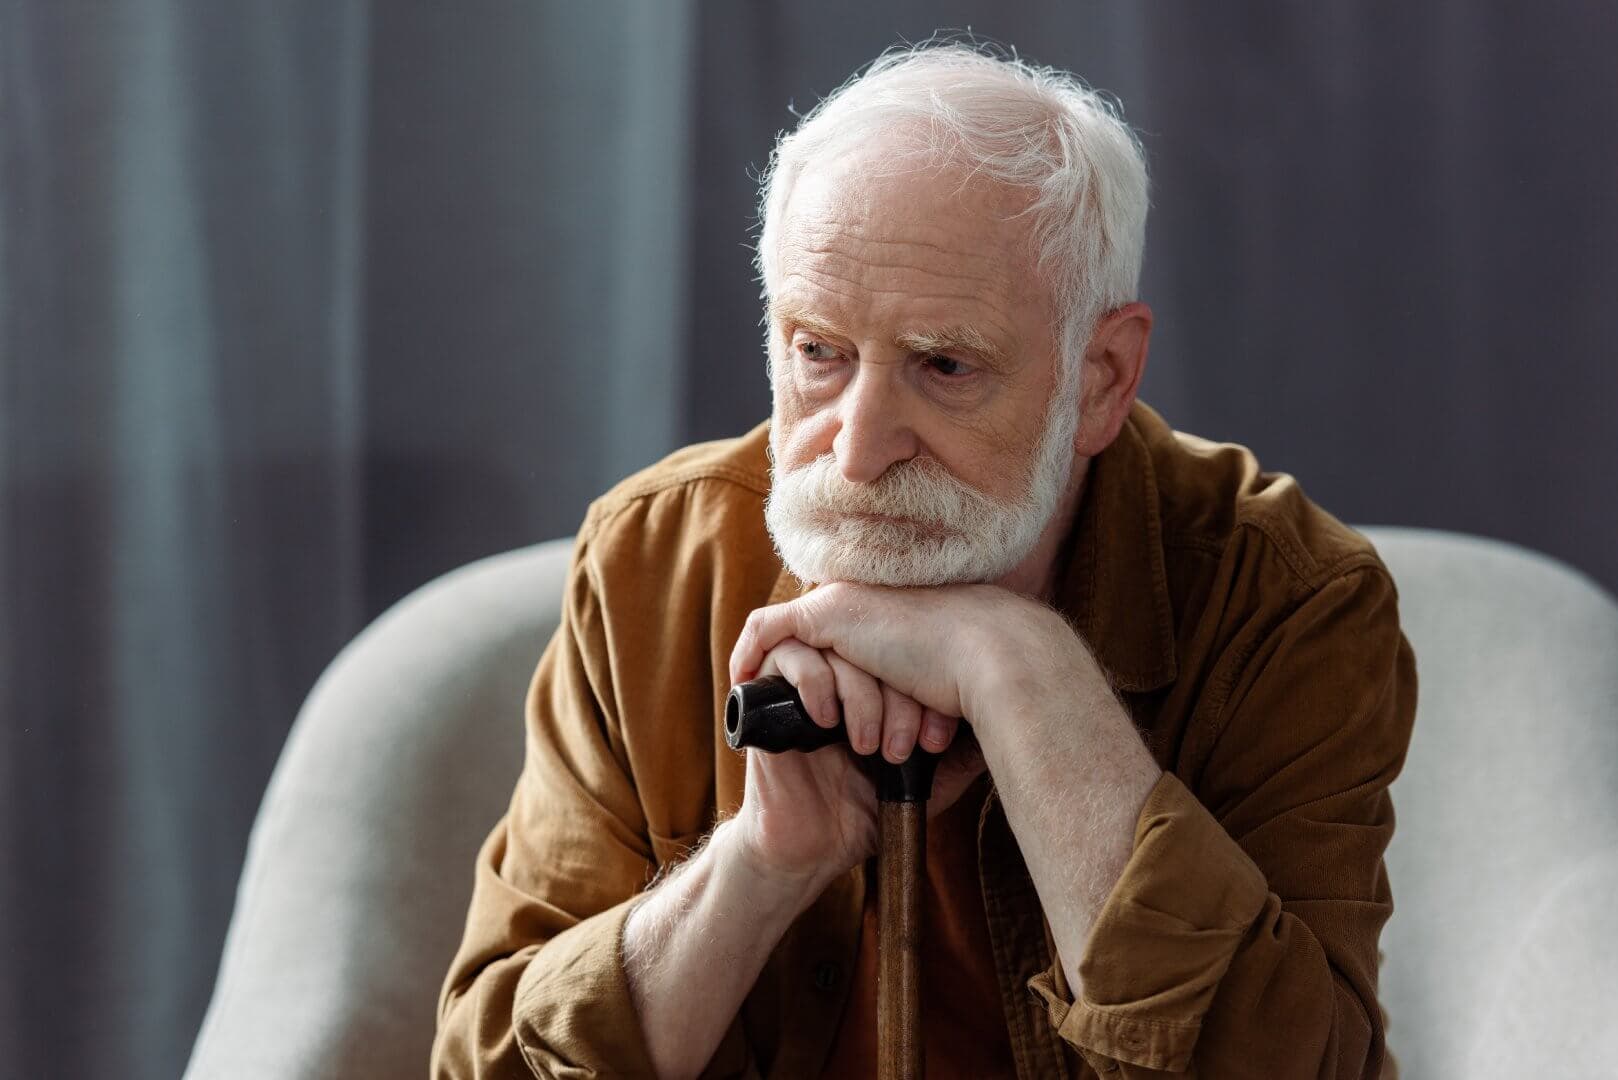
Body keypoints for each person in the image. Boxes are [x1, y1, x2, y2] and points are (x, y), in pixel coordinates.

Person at [432, 41, 1415, 1080]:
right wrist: (759, 866)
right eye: (818, 353)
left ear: (1101, 377)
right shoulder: (652, 561)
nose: (856, 451)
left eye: (943, 366)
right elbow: (485, 1068)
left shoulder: (1289, 602)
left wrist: (1025, 673)